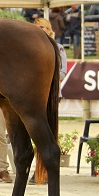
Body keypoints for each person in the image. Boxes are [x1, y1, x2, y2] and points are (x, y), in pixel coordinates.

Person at [30, 17, 69, 184]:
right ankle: (37, 171)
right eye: (37, 27)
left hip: (50, 95)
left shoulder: (58, 49)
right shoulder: (29, 49)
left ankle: (45, 171)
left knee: (48, 132)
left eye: (43, 28)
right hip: (34, 96)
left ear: (49, 30)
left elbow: (62, 72)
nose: (40, 30)